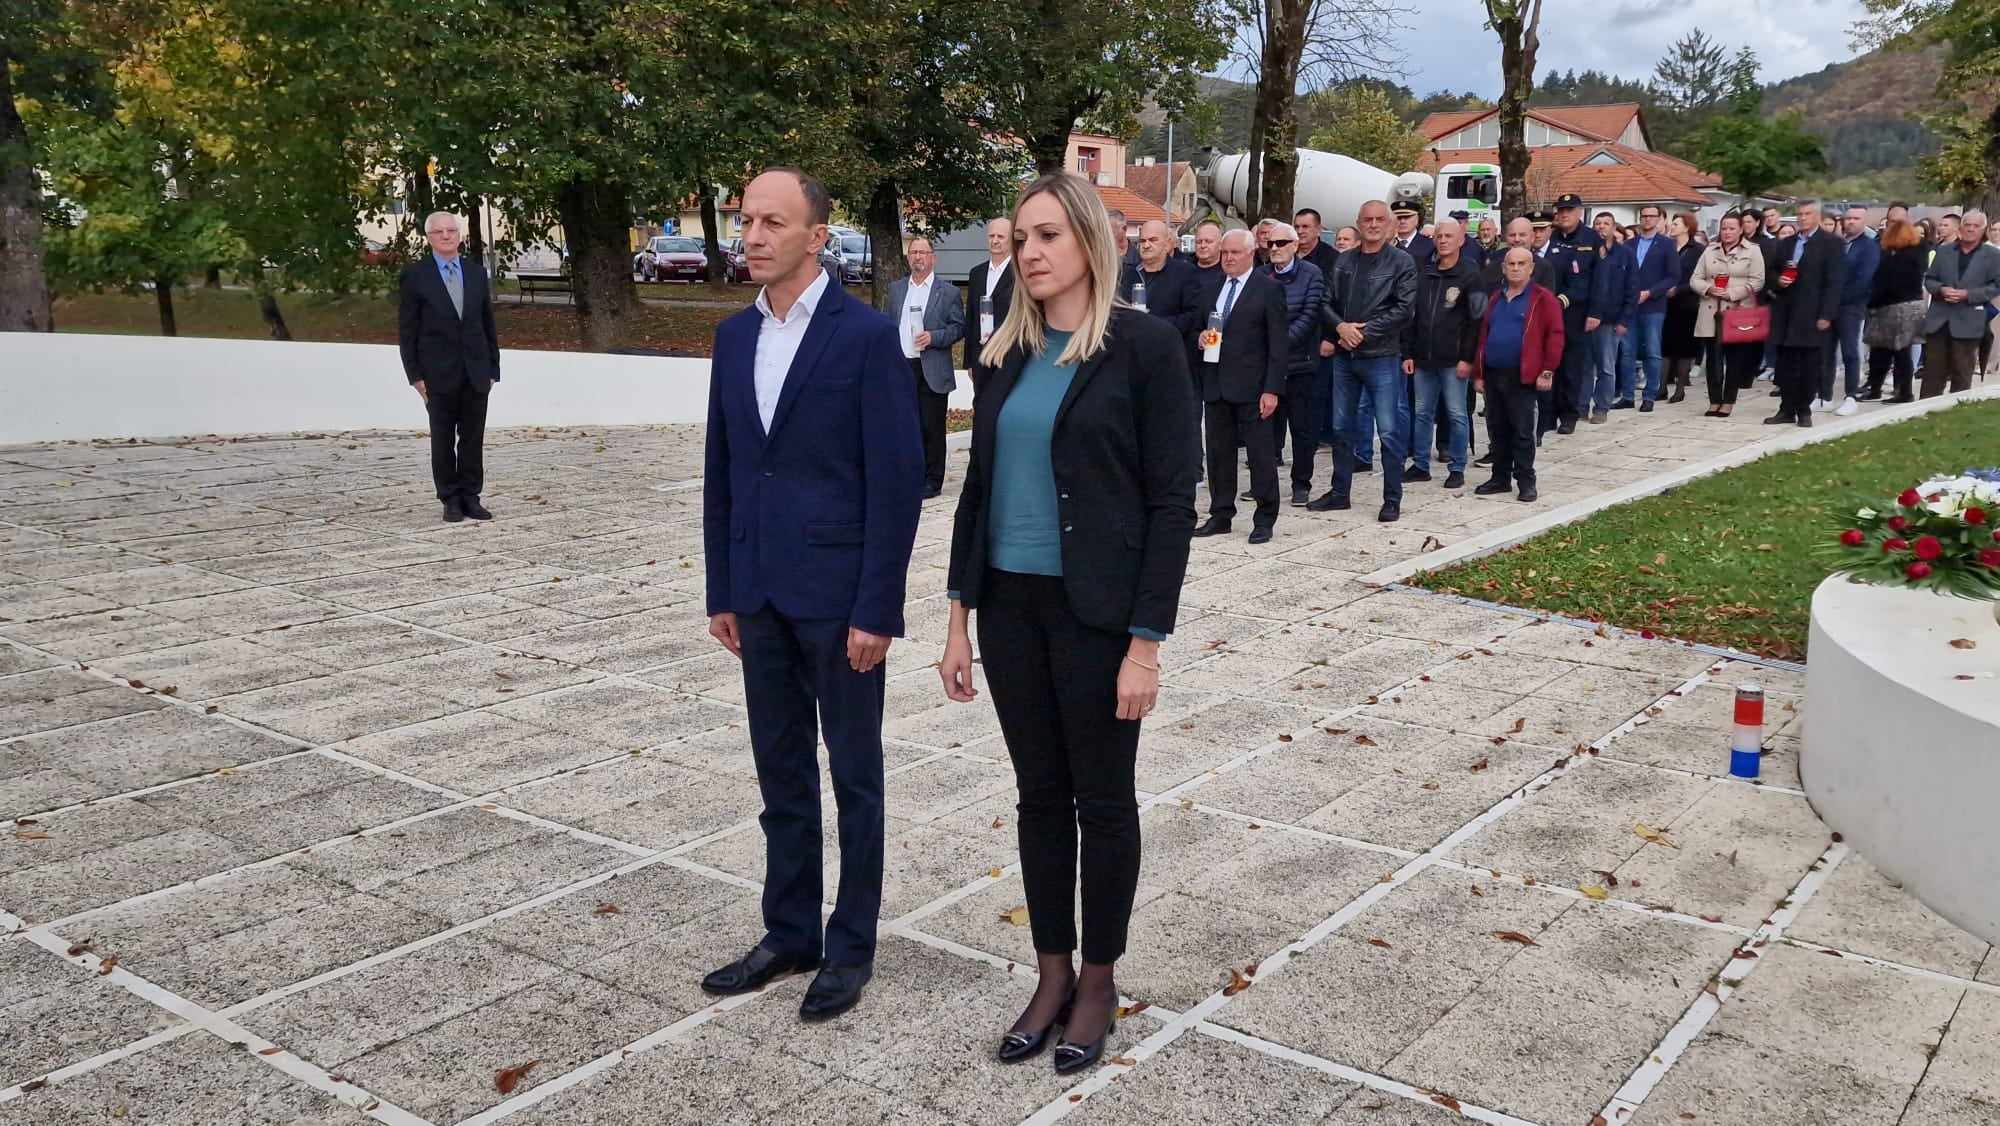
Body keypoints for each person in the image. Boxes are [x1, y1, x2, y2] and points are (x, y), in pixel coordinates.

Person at [939, 172, 1198, 1075]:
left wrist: (1145, 645)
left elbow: (1171, 504)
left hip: (1098, 615)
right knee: (1039, 798)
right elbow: (978, 492)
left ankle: (1097, 981)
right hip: (1009, 607)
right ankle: (1050, 973)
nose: (1030, 252)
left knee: (1104, 801)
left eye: (1047, 235)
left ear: (1091, 241)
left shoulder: (1146, 347)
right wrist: (957, 617)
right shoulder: (1003, 354)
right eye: (1021, 238)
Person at [700, 168, 923, 1022]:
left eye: (772, 222)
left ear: (816, 236)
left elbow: (895, 482)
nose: (753, 236)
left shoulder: (864, 337)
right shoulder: (733, 337)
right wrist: (723, 586)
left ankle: (850, 945)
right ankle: (789, 931)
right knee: (780, 773)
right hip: (757, 593)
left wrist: (877, 608)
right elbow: (725, 469)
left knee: (854, 777)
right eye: (746, 220)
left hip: (838, 599)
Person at [1312, 199, 1417, 523]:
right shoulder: (1343, 260)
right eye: (1367, 219)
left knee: (1388, 431)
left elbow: (1404, 309)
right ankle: (1339, 493)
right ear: (1358, 223)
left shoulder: (1402, 262)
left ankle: (1392, 499)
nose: (1372, 224)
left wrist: (1363, 332)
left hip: (1381, 357)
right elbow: (1324, 302)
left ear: (1389, 224)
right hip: (1345, 356)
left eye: (1379, 219)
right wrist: (1340, 328)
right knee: (1341, 428)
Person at [399, 211, 501, 524]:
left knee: (472, 438)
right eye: (439, 232)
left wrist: (493, 368)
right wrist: (415, 376)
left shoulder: (475, 273)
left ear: (459, 235)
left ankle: (471, 496)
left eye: (451, 231)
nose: (446, 236)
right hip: (436, 374)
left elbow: (487, 323)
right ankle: (450, 498)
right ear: (429, 238)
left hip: (476, 371)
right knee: (442, 440)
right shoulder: (415, 276)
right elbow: (407, 330)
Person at [1192, 229, 1286, 543]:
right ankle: (1221, 514)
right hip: (1216, 383)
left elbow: (1278, 344)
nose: (1229, 258)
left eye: (1235, 253)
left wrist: (1272, 388)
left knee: (1260, 455)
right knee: (1219, 455)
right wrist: (1200, 337)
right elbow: (1200, 327)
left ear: (1250, 254)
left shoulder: (1268, 289)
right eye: (1225, 253)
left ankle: (1265, 517)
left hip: (1253, 387)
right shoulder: (1212, 287)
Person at [1474, 247, 1563, 503]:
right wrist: (1479, 373)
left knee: (1522, 431)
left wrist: (1547, 370)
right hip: (1494, 373)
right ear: (1503, 268)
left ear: (1531, 268)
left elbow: (1555, 335)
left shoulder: (1543, 298)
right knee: (1497, 429)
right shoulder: (1496, 297)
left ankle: (1526, 481)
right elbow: (1484, 336)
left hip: (1522, 375)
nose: (1515, 268)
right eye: (1511, 264)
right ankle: (1499, 478)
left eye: (1521, 264)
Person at [1403, 218, 1482, 489]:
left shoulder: (1470, 275)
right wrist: (1408, 352)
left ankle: (1457, 467)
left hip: (1453, 360)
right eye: (1439, 236)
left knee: (1457, 414)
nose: (1444, 240)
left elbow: (1476, 321)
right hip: (1424, 358)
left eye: (1449, 236)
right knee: (1422, 413)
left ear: (1461, 240)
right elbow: (1413, 317)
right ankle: (1420, 465)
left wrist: (1467, 358)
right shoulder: (1425, 274)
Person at [886, 238, 965, 498]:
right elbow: (888, 323)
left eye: (923, 252)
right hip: (902, 366)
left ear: (933, 258)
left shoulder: (948, 292)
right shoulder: (896, 289)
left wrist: (934, 337)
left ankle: (933, 480)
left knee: (931, 427)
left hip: (931, 368)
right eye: (913, 252)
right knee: (904, 426)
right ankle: (909, 475)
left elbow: (958, 328)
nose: (918, 257)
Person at [1764, 200, 1844, 427]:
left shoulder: (1831, 243)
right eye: (1799, 214)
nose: (1802, 218)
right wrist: (1778, 281)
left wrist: (1826, 315)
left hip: (1812, 313)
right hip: (1785, 312)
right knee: (1785, 365)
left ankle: (1804, 409)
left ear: (1817, 216)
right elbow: (1771, 271)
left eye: (1807, 214)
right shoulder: (1787, 243)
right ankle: (1786, 409)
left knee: (1809, 365)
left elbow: (1835, 282)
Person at [1689, 212, 1767, 418]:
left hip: (1738, 311)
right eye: (1724, 228)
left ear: (1741, 230)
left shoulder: (1753, 250)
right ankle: (1714, 400)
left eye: (1732, 228)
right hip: (1711, 310)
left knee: (1734, 360)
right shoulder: (1709, 250)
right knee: (1713, 359)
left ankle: (1728, 401)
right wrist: (1709, 289)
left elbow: (1758, 281)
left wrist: (1733, 293)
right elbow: (1695, 279)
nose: (1727, 232)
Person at [1920, 208, 2000, 398]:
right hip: (1939, 320)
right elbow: (1929, 279)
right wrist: (1941, 289)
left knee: (1962, 374)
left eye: (1976, 226)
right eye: (1967, 225)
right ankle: (1925, 409)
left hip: (1969, 320)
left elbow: (1996, 286)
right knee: (1932, 374)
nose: (1971, 229)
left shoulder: (1993, 255)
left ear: (1983, 230)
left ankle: (1957, 407)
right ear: (1960, 228)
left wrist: (1968, 294)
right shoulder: (1944, 251)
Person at [1818, 205, 1880, 416]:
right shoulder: (1837, 243)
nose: (1851, 222)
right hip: (1829, 306)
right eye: (1848, 218)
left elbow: (1864, 280)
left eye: (1856, 218)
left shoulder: (1868, 246)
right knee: (1826, 352)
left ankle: (1851, 396)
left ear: (1864, 221)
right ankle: (1824, 396)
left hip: (1851, 306)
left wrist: (1835, 299)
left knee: (1850, 352)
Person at [1861, 217, 1927, 404]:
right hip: (1913, 306)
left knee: (1885, 351)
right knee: (1901, 352)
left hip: (1893, 308)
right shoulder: (1917, 255)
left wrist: (1871, 304)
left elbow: (1884, 285)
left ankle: (1888, 390)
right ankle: (1899, 390)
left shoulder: (1894, 259)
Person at [1628, 204, 1679, 410]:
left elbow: (1673, 276)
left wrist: (1650, 292)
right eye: (1644, 216)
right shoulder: (1629, 244)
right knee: (1627, 352)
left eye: (1651, 216)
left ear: (1659, 219)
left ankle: (1650, 395)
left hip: (1653, 305)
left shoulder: (1666, 245)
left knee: (1652, 351)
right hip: (1630, 305)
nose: (1647, 219)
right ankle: (1627, 395)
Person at [1588, 210, 1637, 419]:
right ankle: (1581, 407)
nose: (1601, 227)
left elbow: (1632, 288)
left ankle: (1602, 407)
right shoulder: (1587, 251)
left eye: (1606, 223)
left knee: (1606, 367)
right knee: (1584, 367)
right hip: (1586, 317)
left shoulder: (1625, 254)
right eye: (1597, 223)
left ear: (1614, 227)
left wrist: (1624, 319)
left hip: (1611, 319)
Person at [1660, 211, 1706, 403]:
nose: (1672, 227)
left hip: (1687, 303)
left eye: (1676, 224)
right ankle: (1661, 387)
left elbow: (1702, 277)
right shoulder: (1666, 246)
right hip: (1664, 302)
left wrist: (1679, 289)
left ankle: (1680, 389)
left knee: (1684, 347)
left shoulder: (1698, 250)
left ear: (1687, 227)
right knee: (1664, 346)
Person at [966, 218, 1016, 388]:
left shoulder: (1020, 274)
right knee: (980, 401)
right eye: (991, 236)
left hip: (1009, 355)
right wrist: (969, 362)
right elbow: (971, 318)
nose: (995, 241)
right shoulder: (976, 273)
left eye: (1000, 236)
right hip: (980, 357)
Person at [1391, 200, 1435, 269]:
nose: (1402, 221)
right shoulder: (1387, 243)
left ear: (1418, 218)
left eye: (1407, 217)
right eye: (1398, 217)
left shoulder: (1431, 244)